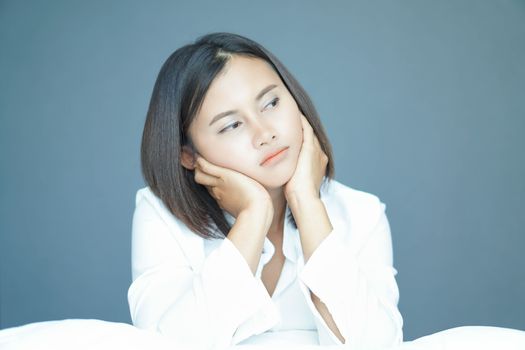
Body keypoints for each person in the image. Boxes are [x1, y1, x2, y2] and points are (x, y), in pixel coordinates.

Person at [127, 32, 403, 350]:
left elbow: (376, 343)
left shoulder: (362, 213)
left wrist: (306, 202)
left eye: (271, 103)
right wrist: (253, 215)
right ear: (188, 154)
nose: (265, 134)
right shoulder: (159, 214)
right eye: (231, 125)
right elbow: (171, 345)